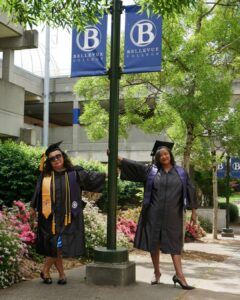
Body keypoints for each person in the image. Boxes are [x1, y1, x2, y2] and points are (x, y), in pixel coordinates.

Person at [118, 140, 198, 289]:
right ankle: (156, 273)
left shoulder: (181, 172)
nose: (164, 157)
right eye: (160, 155)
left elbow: (191, 190)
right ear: (157, 158)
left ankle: (180, 276)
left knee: (175, 244)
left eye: (166, 154)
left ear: (170, 155)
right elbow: (135, 166)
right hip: (154, 213)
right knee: (154, 242)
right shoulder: (151, 171)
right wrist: (118, 158)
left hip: (173, 215)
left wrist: (194, 212)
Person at [31, 141, 106, 285]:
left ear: (63, 156)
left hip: (68, 216)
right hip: (50, 217)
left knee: (58, 245)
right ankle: (60, 274)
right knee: (56, 245)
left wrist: (108, 173)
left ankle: (47, 271)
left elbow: (92, 177)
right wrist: (33, 208)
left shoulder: (75, 173)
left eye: (58, 156)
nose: (56, 160)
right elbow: (38, 192)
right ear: (49, 162)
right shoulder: (46, 176)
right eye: (52, 159)